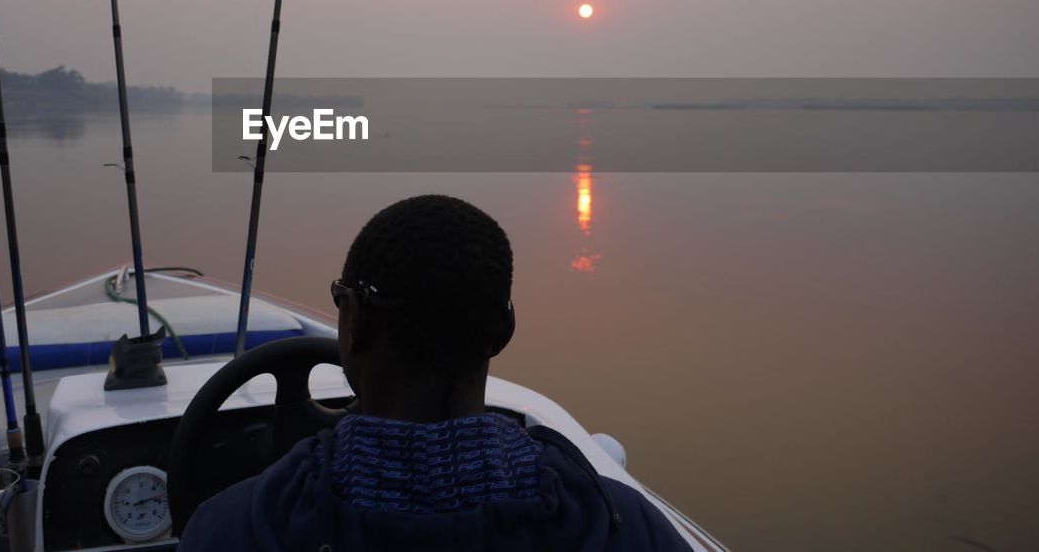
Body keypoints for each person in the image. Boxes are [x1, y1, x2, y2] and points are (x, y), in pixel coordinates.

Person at [178, 195, 692, 551]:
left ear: (353, 324)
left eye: (341, 301)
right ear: (503, 330)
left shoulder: (228, 531)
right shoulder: (624, 526)